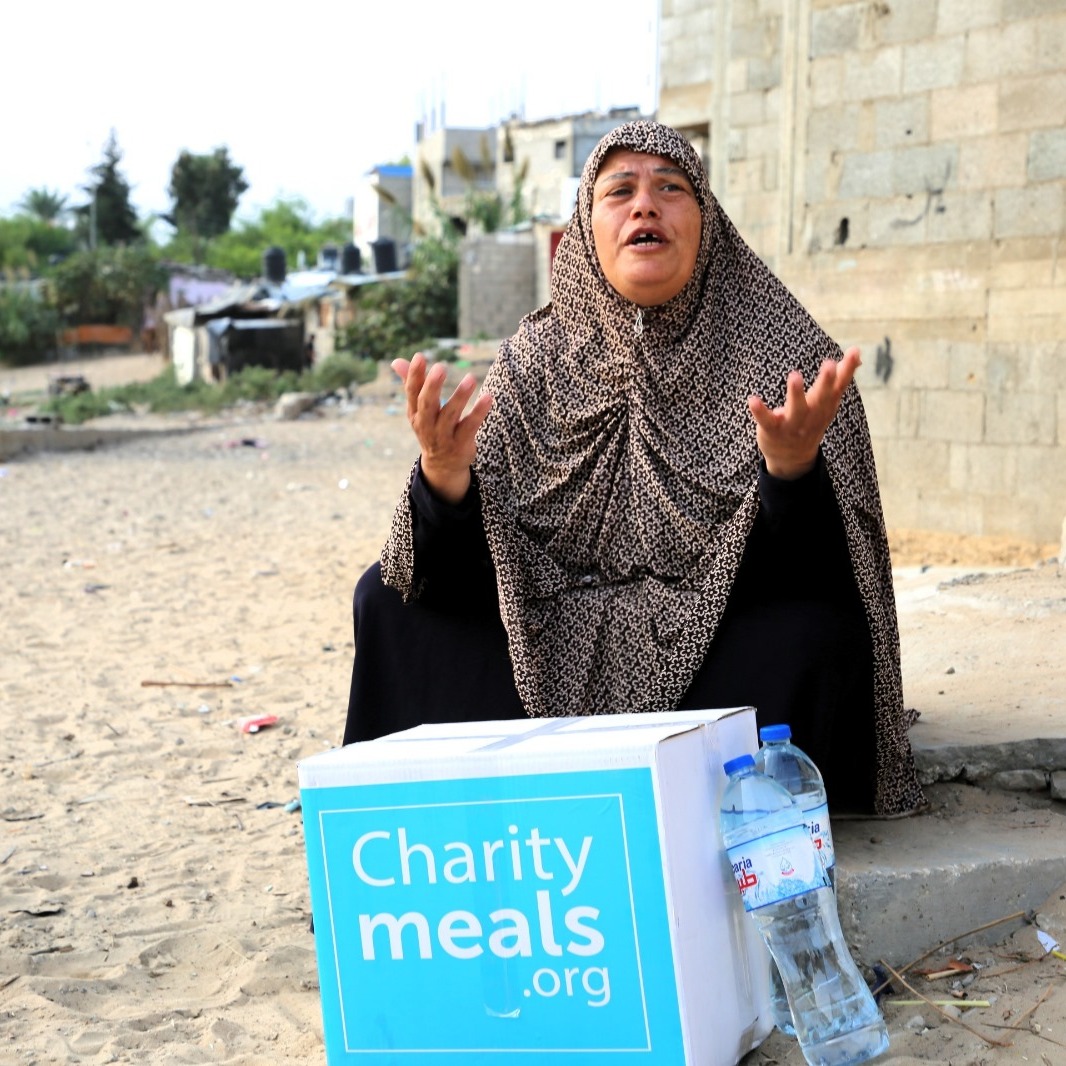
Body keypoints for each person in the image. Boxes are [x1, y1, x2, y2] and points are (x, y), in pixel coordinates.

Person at [343, 120, 925, 818]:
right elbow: (463, 566)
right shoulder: (533, 359)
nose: (645, 205)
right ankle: (420, 817)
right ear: (586, 228)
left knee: (818, 632)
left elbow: (828, 569)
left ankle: (734, 817)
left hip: (711, 641)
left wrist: (792, 471)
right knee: (385, 599)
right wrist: (443, 477)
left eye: (671, 188)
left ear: (707, 221)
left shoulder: (787, 353)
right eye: (619, 191)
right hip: (543, 640)